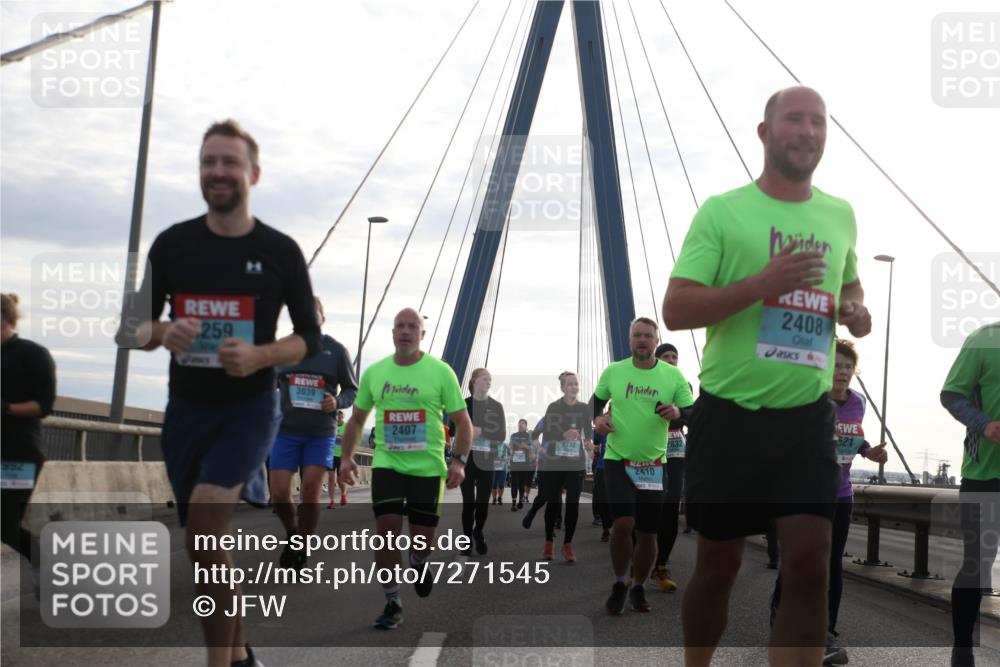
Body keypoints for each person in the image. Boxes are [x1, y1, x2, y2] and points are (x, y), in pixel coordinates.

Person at [662, 86, 872, 666]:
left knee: (809, 562)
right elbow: (677, 310)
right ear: (764, 133)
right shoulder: (724, 212)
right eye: (794, 120)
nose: (807, 132)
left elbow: (849, 285)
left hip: (806, 420)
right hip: (731, 415)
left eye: (818, 122)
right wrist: (761, 284)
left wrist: (854, 307)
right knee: (719, 565)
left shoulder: (839, 214)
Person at [116, 119, 322, 667]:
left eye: (229, 162)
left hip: (250, 409)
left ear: (253, 173)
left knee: (208, 518)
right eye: (209, 162)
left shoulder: (280, 250)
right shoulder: (174, 244)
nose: (218, 172)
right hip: (186, 411)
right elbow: (131, 328)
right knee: (204, 547)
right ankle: (237, 654)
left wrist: (259, 355)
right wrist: (163, 332)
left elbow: (309, 337)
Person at [339, 308, 472, 630]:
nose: (406, 330)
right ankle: (393, 601)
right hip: (388, 464)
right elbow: (357, 419)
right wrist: (346, 458)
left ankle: (417, 561)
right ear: (393, 332)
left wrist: (459, 461)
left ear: (422, 335)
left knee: (422, 542)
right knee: (386, 532)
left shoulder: (441, 372)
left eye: (413, 326)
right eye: (400, 325)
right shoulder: (376, 372)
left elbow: (463, 422)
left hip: (427, 468)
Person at [769, 339, 887, 665]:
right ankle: (780, 614)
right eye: (836, 365)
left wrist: (868, 451)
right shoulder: (809, 399)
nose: (842, 372)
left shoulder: (858, 403)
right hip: (805, 492)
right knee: (800, 560)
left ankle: (826, 632)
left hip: (841, 493)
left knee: (832, 564)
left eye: (848, 366)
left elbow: (855, 436)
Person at [593, 317, 694, 614]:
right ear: (629, 340)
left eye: (648, 336)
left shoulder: (673, 377)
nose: (642, 340)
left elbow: (691, 411)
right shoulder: (614, 371)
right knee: (623, 523)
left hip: (654, 463)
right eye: (637, 335)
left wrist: (677, 410)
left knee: (649, 532)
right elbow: (596, 402)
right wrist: (597, 419)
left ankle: (638, 586)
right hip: (617, 458)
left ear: (655, 340)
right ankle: (619, 582)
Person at [269, 297, 357, 569]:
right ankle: (293, 534)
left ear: (322, 317)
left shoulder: (335, 351)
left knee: (309, 490)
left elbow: (352, 390)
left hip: (320, 433)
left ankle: (302, 547)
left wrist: (337, 402)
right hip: (286, 431)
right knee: (280, 492)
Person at [940, 322, 999, 667]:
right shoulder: (985, 340)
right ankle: (962, 650)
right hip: (985, 475)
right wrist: (984, 424)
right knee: (978, 565)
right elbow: (951, 394)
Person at [1, 293, 56, 563]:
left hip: (19, 454)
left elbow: (44, 405)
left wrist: (7, 408)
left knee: (6, 527)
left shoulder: (33, 354)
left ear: (9, 320)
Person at [523, 372, 593, 562]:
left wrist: (589, 444)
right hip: (554, 462)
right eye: (569, 384)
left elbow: (588, 432)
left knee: (572, 504)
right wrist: (564, 434)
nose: (574, 387)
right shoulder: (554, 407)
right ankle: (548, 543)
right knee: (552, 502)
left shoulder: (585, 409)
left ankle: (568, 545)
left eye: (576, 384)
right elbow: (548, 433)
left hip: (576, 462)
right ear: (562, 388)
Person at [650, 342, 692, 594]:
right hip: (648, 453)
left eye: (675, 356)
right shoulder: (645, 384)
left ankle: (661, 565)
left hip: (676, 453)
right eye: (666, 356)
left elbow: (692, 414)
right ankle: (636, 564)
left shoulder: (683, 386)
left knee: (670, 510)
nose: (671, 359)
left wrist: (679, 412)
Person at [459, 368, 506, 555]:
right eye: (485, 379)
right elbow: (454, 432)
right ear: (474, 381)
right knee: (468, 503)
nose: (488, 383)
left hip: (487, 460)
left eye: (490, 380)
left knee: (482, 503)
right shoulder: (463, 404)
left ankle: (478, 531)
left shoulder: (496, 406)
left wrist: (481, 431)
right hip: (467, 459)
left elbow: (502, 435)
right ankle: (466, 540)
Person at [591, 430, 612, 541]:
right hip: (603, 466)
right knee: (603, 498)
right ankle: (606, 529)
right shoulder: (604, 422)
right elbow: (595, 442)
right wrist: (595, 452)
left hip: (625, 465)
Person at [509, 419, 534, 510]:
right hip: (515, 462)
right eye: (519, 424)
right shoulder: (514, 435)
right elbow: (510, 446)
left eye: (522, 424)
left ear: (526, 426)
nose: (520, 425)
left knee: (522, 484)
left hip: (525, 463)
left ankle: (520, 500)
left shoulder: (528, 436)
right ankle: (513, 503)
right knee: (514, 483)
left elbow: (532, 448)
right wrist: (511, 448)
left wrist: (525, 446)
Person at [328, 411, 349, 509]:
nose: (338, 419)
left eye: (340, 417)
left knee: (340, 480)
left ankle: (343, 494)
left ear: (343, 418)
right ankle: (332, 500)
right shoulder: (331, 425)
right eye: (337, 417)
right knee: (331, 478)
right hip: (331, 456)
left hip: (341, 456)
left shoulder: (346, 427)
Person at [492, 438, 510, 506]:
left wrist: (507, 459)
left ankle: (499, 498)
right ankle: (494, 499)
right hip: (494, 468)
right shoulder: (493, 445)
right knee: (494, 484)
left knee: (501, 484)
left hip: (503, 467)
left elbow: (510, 455)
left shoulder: (506, 446)